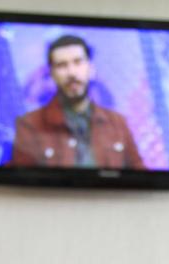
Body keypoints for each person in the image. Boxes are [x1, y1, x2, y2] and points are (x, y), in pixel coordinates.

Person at [10, 35, 145, 170]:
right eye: (62, 65)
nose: (72, 73)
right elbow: (23, 184)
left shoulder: (118, 123)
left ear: (91, 69)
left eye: (78, 62)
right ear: (52, 74)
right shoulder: (29, 125)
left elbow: (140, 176)